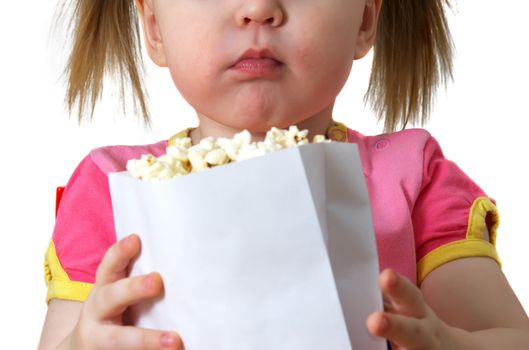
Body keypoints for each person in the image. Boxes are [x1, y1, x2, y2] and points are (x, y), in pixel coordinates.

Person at [38, 0, 529, 349]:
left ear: (364, 18)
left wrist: (449, 343)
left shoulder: (413, 178)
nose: (258, 8)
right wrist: (85, 341)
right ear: (154, 26)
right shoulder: (113, 190)